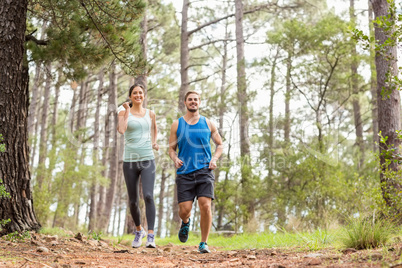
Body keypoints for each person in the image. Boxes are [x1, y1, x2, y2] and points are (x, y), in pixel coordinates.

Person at [168, 91, 223, 254]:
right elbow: (171, 148)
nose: (193, 102)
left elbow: (220, 144)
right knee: (184, 210)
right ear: (185, 103)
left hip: (205, 171)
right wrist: (175, 158)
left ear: (200, 102)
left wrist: (214, 159)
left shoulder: (208, 123)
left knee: (205, 205)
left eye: (196, 100)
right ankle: (185, 222)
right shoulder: (177, 124)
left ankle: (203, 243)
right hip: (184, 172)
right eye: (190, 100)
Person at [117, 83, 159, 248]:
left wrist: (154, 142)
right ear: (130, 96)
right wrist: (127, 111)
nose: (138, 95)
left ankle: (150, 235)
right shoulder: (122, 111)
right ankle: (139, 230)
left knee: (148, 195)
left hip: (148, 159)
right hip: (129, 161)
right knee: (133, 201)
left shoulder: (150, 113)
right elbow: (121, 130)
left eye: (140, 93)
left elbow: (155, 128)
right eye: (135, 93)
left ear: (144, 95)